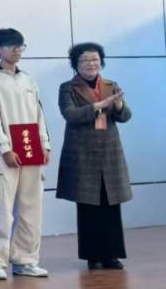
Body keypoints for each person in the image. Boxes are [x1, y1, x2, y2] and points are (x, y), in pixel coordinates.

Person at [0, 28, 51, 280]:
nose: (17, 50)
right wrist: (5, 148)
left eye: (20, 46)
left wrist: (45, 145)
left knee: (31, 207)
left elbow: (39, 114)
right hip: (3, 156)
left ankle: (25, 260)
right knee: (0, 209)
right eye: (11, 45)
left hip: (31, 152)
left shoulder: (28, 79)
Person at [56, 42, 131, 270]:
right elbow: (70, 114)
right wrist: (100, 105)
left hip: (109, 152)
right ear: (76, 64)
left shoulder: (111, 85)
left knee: (111, 205)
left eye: (95, 59)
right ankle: (93, 256)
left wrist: (118, 105)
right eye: (85, 60)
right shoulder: (67, 88)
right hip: (83, 153)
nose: (91, 64)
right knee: (89, 206)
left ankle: (112, 255)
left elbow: (125, 116)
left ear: (101, 62)